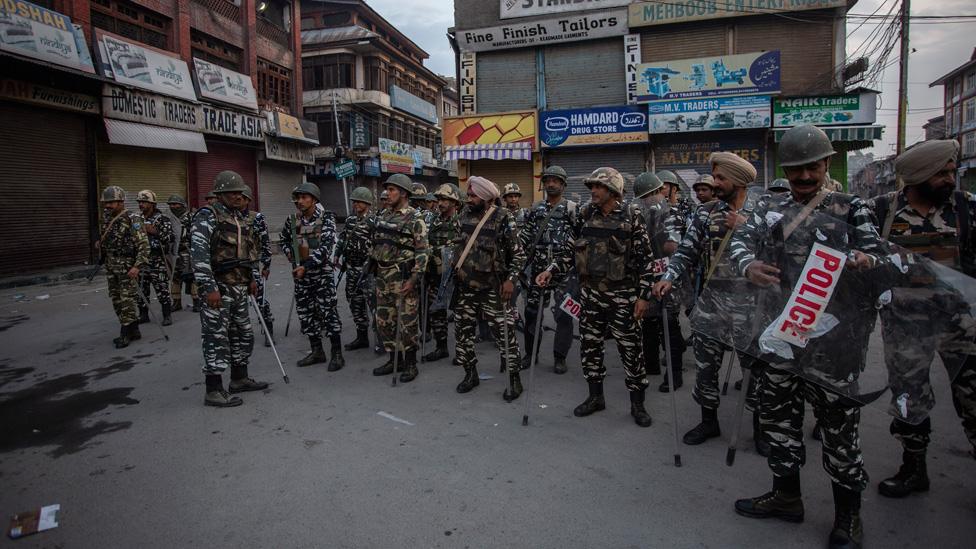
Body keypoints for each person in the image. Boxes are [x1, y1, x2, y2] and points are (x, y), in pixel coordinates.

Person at [728, 125, 883, 549]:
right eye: (795, 171)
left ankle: (848, 517)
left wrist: (865, 261)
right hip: (780, 338)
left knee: (839, 432)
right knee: (779, 420)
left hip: (833, 345)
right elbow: (740, 242)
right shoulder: (768, 206)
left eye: (811, 168)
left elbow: (879, 257)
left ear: (826, 164)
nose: (803, 179)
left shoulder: (852, 208)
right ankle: (786, 496)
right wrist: (747, 266)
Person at [869, 139, 976, 497]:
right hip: (905, 328)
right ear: (917, 177)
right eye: (940, 173)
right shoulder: (882, 211)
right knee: (909, 399)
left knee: (972, 398)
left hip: (962, 327)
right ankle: (914, 468)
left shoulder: (965, 208)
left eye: (950, 171)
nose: (949, 178)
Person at [653, 153, 767, 451]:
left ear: (739, 181)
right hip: (713, 300)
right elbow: (685, 251)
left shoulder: (763, 212)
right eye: (713, 178)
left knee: (755, 368)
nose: (714, 184)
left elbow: (780, 251)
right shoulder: (705, 213)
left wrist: (746, 225)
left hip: (751, 304)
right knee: (705, 366)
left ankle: (760, 428)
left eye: (720, 178)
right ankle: (708, 420)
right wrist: (669, 276)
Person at [537, 167, 655, 427]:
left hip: (623, 297)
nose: (593, 191)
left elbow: (646, 261)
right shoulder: (584, 214)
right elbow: (569, 250)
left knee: (631, 351)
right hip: (590, 296)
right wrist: (551, 270)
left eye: (598, 187)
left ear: (613, 190)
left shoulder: (631, 216)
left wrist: (644, 296)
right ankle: (595, 397)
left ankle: (638, 404)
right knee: (590, 348)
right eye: (591, 186)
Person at [190, 171, 268, 407]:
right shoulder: (208, 216)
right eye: (233, 192)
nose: (238, 195)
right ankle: (213, 389)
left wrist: (252, 277)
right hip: (219, 289)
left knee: (243, 333)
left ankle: (239, 378)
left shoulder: (239, 218)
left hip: (240, 287)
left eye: (239, 192)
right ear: (221, 193)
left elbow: (249, 252)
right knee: (216, 337)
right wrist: (208, 287)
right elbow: (199, 254)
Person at [452, 176, 526, 400]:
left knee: (504, 335)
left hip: (493, 288)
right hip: (466, 287)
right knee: (462, 334)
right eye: (469, 194)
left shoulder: (503, 218)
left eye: (473, 195)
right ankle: (470, 374)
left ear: (485, 197)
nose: (469, 199)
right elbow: (457, 244)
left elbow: (519, 255)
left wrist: (510, 280)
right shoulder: (462, 216)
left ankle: (514, 381)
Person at [367, 174, 429, 382]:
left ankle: (410, 364)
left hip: (403, 277)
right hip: (383, 277)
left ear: (403, 193)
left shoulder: (415, 218)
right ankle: (394, 359)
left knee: (407, 323)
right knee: (384, 321)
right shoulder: (383, 215)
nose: (387, 193)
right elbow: (377, 242)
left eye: (392, 189)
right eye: (387, 189)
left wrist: (413, 278)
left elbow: (422, 251)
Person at [520, 166, 579, 374]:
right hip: (538, 271)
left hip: (564, 273)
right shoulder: (535, 209)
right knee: (532, 313)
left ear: (563, 185)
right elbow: (525, 239)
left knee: (563, 316)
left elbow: (579, 241)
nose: (551, 184)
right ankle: (530, 354)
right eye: (548, 181)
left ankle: (560, 357)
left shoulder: (573, 209)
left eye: (555, 181)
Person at [280, 182, 343, 371]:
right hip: (301, 277)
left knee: (328, 313)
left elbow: (325, 248)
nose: (299, 201)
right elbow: (283, 240)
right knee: (306, 314)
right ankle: (317, 351)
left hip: (321, 275)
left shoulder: (326, 218)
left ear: (314, 199)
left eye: (304, 197)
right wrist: (289, 252)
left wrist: (305, 267)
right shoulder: (292, 221)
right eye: (297, 198)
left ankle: (337, 354)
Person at [634, 172, 684, 379]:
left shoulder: (671, 214)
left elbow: (672, 245)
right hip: (650, 275)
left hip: (666, 276)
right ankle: (653, 366)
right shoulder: (640, 214)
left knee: (667, 323)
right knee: (649, 323)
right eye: (647, 197)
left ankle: (674, 375)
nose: (651, 201)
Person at [97, 185, 150, 348]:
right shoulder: (107, 218)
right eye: (106, 203)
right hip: (112, 266)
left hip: (128, 268)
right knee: (116, 299)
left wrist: (137, 266)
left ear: (120, 202)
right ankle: (134, 330)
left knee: (126, 300)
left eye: (111, 202)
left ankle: (125, 333)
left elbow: (144, 245)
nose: (107, 205)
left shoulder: (133, 218)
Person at [423, 183, 462, 363]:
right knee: (436, 312)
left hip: (456, 277)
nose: (441, 202)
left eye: (445, 199)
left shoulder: (462, 221)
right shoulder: (432, 221)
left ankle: (463, 351)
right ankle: (441, 347)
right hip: (435, 275)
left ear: (455, 202)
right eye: (439, 199)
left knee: (461, 315)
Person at [335, 186, 376, 351]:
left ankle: (381, 338)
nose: (356, 205)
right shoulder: (350, 220)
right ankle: (362, 337)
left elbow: (378, 245)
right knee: (354, 302)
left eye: (359, 202)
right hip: (351, 269)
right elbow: (343, 238)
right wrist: (337, 254)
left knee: (374, 305)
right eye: (354, 202)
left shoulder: (373, 222)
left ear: (367, 203)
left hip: (367, 270)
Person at [136, 190, 175, 326]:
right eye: (140, 202)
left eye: (144, 202)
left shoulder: (162, 219)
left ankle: (167, 315)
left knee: (162, 289)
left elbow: (170, 238)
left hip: (157, 259)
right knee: (141, 290)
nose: (141, 204)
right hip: (141, 260)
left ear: (152, 204)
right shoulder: (137, 219)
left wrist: (152, 230)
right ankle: (143, 314)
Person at [241, 186, 274, 346]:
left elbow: (265, 242)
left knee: (259, 298)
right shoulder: (224, 217)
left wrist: (266, 265)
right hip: (231, 266)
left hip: (251, 264)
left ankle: (268, 329)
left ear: (247, 200)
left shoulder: (256, 218)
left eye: (241, 198)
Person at [166, 195, 194, 311]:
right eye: (171, 205)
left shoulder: (191, 217)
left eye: (175, 204)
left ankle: (196, 301)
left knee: (192, 278)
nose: (173, 207)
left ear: (182, 205)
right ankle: (176, 302)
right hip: (174, 252)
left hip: (187, 252)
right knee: (175, 278)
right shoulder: (168, 218)